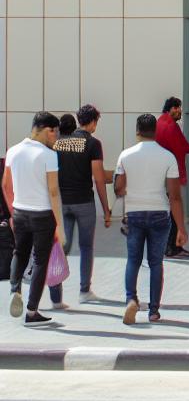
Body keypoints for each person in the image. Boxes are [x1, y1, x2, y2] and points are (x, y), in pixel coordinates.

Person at [114, 112, 187, 325]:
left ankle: (131, 299)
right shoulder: (167, 157)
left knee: (133, 260)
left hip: (134, 213)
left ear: (137, 130)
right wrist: (181, 228)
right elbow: (174, 196)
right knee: (156, 263)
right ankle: (154, 311)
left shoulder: (125, 156)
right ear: (155, 131)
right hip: (159, 214)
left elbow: (119, 188)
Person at [3, 113, 64, 325]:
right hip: (43, 215)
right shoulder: (48, 155)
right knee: (40, 261)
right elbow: (53, 191)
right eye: (54, 131)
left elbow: (5, 186)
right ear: (44, 129)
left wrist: (12, 212)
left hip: (20, 212)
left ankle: (14, 289)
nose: (55, 136)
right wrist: (59, 226)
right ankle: (31, 312)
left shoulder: (13, 151)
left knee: (19, 252)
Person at [49, 105, 111, 310]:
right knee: (86, 247)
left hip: (62, 203)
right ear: (92, 122)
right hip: (84, 202)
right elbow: (99, 178)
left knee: (61, 249)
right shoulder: (93, 144)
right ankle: (84, 291)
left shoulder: (59, 143)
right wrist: (106, 209)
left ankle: (56, 297)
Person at [155, 97, 189, 259]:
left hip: (158, 175)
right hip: (169, 175)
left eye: (180, 107)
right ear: (169, 109)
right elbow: (178, 149)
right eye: (176, 107)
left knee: (167, 211)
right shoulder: (170, 126)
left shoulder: (161, 123)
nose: (179, 110)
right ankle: (173, 247)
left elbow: (181, 144)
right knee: (175, 210)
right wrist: (188, 157)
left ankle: (169, 246)